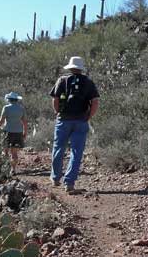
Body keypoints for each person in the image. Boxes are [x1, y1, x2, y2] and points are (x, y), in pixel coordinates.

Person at [49, 56, 100, 193]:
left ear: (70, 67)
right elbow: (95, 102)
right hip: (81, 120)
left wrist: (57, 113)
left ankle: (55, 178)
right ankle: (69, 183)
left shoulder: (62, 80)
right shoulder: (88, 82)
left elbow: (55, 99)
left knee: (58, 148)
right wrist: (88, 116)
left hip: (63, 119)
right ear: (81, 68)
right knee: (76, 152)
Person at [0, 92, 28, 175]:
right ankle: (13, 169)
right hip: (18, 132)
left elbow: (1, 121)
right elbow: (24, 122)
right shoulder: (21, 108)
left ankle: (6, 169)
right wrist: (25, 133)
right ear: (17, 100)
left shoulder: (6, 108)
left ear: (9, 100)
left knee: (5, 151)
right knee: (14, 153)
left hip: (7, 132)